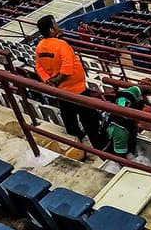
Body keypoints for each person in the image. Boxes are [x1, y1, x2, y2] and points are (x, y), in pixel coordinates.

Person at [35, 15, 103, 147]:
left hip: (60, 92)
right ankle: (98, 146)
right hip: (76, 90)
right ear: (50, 29)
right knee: (90, 120)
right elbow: (67, 69)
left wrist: (48, 80)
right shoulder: (61, 45)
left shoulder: (40, 46)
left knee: (69, 119)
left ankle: (76, 142)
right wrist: (55, 81)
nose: (57, 25)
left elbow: (38, 67)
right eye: (54, 23)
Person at [104, 85, 145, 158]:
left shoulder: (127, 96)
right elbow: (119, 157)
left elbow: (143, 88)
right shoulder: (121, 132)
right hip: (113, 148)